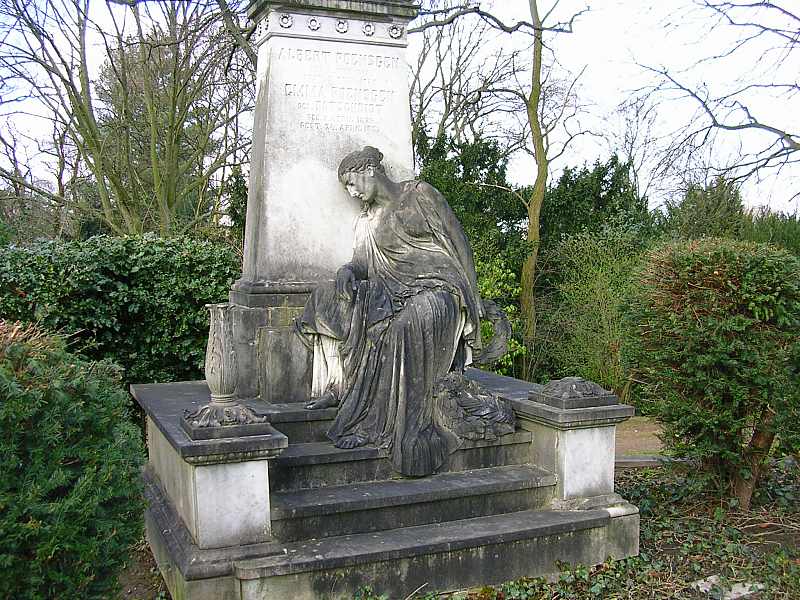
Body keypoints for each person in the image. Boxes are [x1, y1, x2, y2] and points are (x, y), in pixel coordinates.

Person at [296, 146, 487, 476]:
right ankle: (339, 388)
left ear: (370, 169)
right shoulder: (367, 222)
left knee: (401, 329)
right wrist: (348, 272)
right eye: (346, 189)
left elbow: (458, 241)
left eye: (352, 183)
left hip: (438, 289)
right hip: (391, 291)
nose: (352, 193)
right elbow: (361, 262)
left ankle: (398, 424)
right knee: (324, 301)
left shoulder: (420, 195)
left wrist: (474, 299)